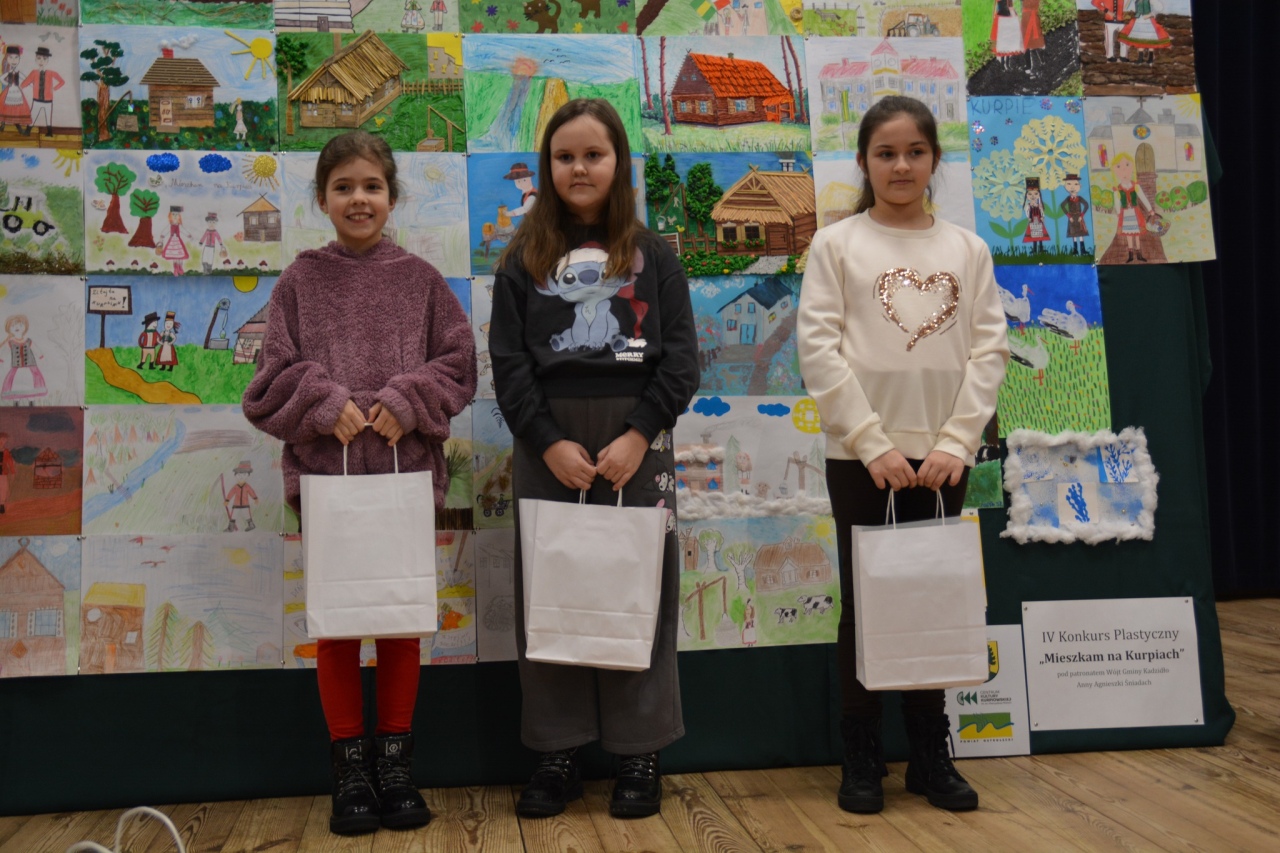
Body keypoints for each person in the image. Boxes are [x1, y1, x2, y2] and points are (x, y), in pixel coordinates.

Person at [242, 129, 477, 836]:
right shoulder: (300, 281)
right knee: (338, 625)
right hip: (329, 482)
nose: (359, 199)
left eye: (372, 186)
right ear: (322, 199)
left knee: (401, 620)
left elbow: (459, 365)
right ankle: (349, 769)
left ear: (392, 197)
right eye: (343, 187)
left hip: (406, 480)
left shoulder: (421, 281)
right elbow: (266, 385)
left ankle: (396, 765)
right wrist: (323, 402)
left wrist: (407, 399)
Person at [797, 95, 1009, 816]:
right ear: (864, 161)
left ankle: (928, 752)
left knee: (932, 597)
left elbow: (989, 351)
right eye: (885, 153)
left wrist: (956, 442)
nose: (900, 165)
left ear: (934, 160)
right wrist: (871, 443)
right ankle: (862, 754)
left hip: (943, 459)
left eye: (915, 152)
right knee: (866, 604)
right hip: (861, 458)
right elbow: (819, 351)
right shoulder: (836, 245)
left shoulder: (966, 250)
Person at [489, 98, 698, 820]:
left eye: (594, 155)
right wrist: (548, 441)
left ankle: (640, 749)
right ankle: (558, 750)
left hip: (636, 439)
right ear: (547, 167)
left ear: (619, 163)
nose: (579, 168)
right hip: (547, 443)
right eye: (564, 156)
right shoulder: (521, 258)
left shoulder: (654, 254)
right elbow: (509, 364)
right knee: (555, 587)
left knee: (640, 588)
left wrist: (639, 434)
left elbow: (681, 362)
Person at [1, 314, 47, 404]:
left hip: (31, 368)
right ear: (9, 328)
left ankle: (31, 403)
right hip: (16, 369)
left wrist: (41, 358)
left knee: (31, 385)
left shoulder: (28, 341)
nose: (17, 327)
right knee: (16, 386)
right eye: (13, 326)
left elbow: (37, 350)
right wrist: (1, 360)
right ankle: (16, 403)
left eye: (20, 325)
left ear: (25, 327)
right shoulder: (10, 342)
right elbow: (3, 353)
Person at [1059, 173, 1091, 256]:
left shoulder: (1079, 198)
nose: (1072, 187)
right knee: (1073, 234)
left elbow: (1086, 205)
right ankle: (1075, 250)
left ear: (1080, 186)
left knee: (1081, 234)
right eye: (1069, 184)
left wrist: (1081, 215)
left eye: (1075, 184)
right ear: (1065, 186)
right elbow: (1062, 205)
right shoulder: (1068, 198)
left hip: (1079, 217)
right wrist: (1069, 216)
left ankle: (1083, 250)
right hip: (1072, 218)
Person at [1021, 177, 1050, 255]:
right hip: (1033, 221)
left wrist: (1042, 216)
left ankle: (1041, 248)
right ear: (1027, 195)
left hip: (1039, 221)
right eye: (1030, 194)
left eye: (1036, 194)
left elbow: (1042, 211)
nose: (1033, 196)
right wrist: (1029, 217)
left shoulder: (1039, 205)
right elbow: (1027, 211)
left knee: (1040, 235)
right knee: (1034, 235)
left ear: (1039, 195)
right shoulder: (1029, 205)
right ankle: (1034, 249)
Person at [159, 206, 191, 276]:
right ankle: (175, 268)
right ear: (170, 216)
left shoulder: (179, 225)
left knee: (180, 255)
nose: (175, 216)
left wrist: (188, 235)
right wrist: (162, 235)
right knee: (174, 255)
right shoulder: (170, 225)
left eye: (177, 214)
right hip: (172, 242)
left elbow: (183, 230)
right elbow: (165, 230)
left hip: (178, 241)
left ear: (179, 216)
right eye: (173, 214)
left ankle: (180, 267)